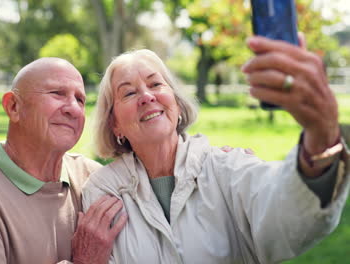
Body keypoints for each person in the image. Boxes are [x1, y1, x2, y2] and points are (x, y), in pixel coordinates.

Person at [82, 36, 350, 263]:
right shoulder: (103, 193)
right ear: (115, 124)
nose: (147, 97)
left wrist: (321, 138)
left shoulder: (226, 167)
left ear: (176, 104)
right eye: (128, 93)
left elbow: (287, 215)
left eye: (155, 85)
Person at [0, 58, 128, 264]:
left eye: (80, 99)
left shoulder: (94, 179)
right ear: (14, 106)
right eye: (57, 93)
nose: (74, 109)